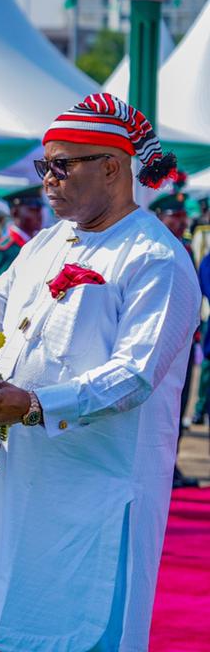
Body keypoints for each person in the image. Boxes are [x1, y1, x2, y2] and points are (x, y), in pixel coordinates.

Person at [0, 93, 199, 651]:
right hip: (26, 475)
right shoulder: (46, 242)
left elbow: (134, 374)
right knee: (22, 626)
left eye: (62, 166)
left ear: (112, 167)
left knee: (86, 630)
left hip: (99, 489)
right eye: (44, 167)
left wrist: (34, 405)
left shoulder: (154, 257)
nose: (48, 182)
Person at [148, 191, 200, 489]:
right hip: (160, 340)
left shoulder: (182, 246)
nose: (181, 222)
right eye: (174, 216)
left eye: (182, 217)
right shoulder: (154, 248)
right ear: (160, 217)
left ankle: (172, 464)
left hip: (185, 341)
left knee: (177, 405)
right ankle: (162, 466)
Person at [0, 186, 44, 279]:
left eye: (39, 209)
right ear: (15, 212)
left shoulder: (41, 243)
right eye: (32, 209)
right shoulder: (2, 250)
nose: (39, 215)